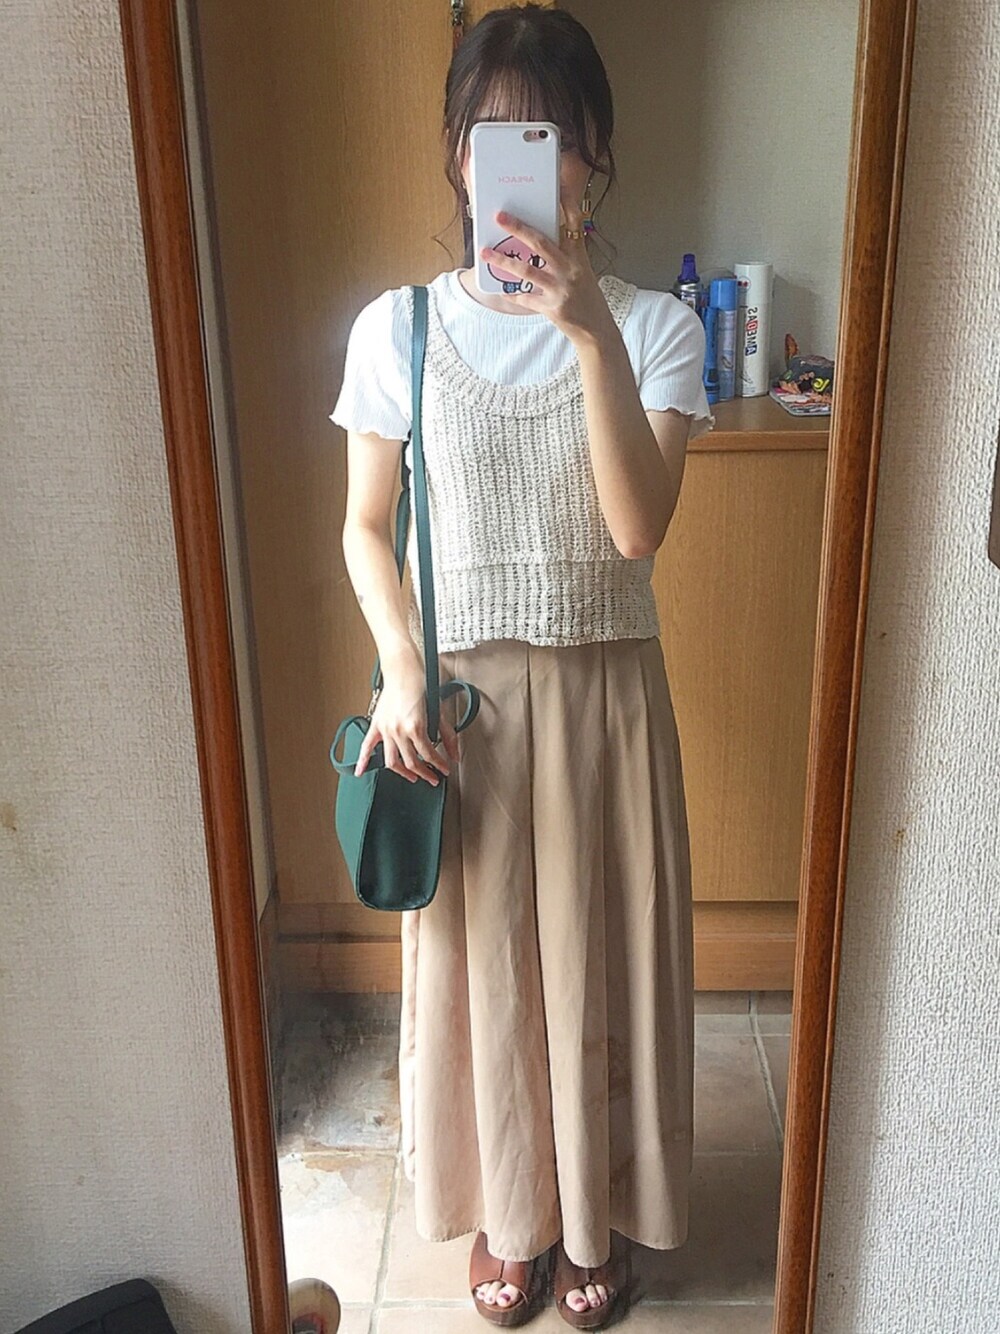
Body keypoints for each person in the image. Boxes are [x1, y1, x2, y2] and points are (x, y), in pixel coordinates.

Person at [330, 5, 712, 1326]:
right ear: (457, 156)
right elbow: (364, 527)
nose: (525, 164)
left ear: (593, 156)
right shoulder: (394, 328)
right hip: (464, 713)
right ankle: (514, 1211)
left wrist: (588, 328)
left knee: (605, 962)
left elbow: (637, 528)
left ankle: (597, 1213)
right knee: (489, 970)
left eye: (552, 137)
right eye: (494, 136)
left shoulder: (657, 328)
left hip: (605, 703)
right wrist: (397, 666)